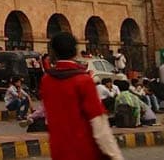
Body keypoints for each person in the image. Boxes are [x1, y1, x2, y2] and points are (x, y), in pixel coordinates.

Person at [40, 31, 123, 160]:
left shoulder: (46, 80)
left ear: (54, 52)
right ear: (75, 51)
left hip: (59, 151)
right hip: (84, 151)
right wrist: (115, 155)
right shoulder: (83, 80)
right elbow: (99, 124)